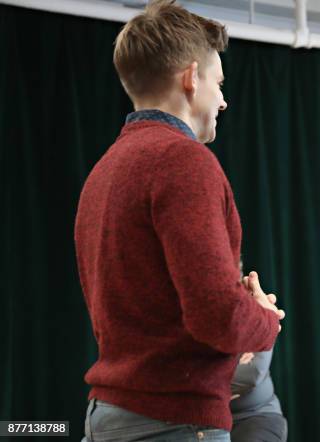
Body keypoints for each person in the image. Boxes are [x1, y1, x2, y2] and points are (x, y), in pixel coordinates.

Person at [75, 1, 284, 441]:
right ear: (191, 78)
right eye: (218, 82)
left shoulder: (104, 170)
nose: (223, 100)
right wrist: (264, 318)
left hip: (109, 418)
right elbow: (217, 317)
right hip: (173, 424)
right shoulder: (185, 161)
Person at [230, 350, 288, 442]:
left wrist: (210, 382)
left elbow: (252, 374)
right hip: (208, 420)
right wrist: (234, 367)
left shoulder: (256, 335)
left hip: (256, 415)